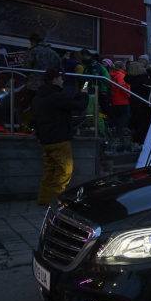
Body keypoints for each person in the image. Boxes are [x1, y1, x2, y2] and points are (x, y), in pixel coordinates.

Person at [31, 69, 88, 205]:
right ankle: (56, 201)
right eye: (61, 78)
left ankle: (44, 199)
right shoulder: (56, 97)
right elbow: (79, 106)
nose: (62, 81)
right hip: (59, 140)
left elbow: (35, 119)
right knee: (64, 171)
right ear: (55, 79)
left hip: (45, 140)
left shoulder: (37, 97)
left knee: (49, 171)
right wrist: (84, 92)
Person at [108, 60, 132, 149]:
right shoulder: (121, 75)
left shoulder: (113, 75)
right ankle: (120, 137)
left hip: (115, 100)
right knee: (125, 118)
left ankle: (117, 135)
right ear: (122, 67)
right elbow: (122, 86)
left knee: (118, 118)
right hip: (122, 101)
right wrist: (129, 94)